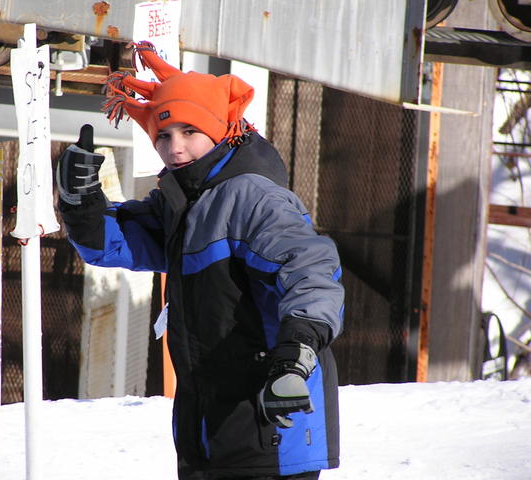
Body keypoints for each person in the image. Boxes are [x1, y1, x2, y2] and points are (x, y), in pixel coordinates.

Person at [56, 41, 344, 480]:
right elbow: (114, 242)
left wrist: (296, 353)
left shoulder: (253, 197)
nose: (176, 148)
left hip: (273, 415)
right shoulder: (182, 203)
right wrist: (81, 202)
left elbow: (311, 270)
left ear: (220, 130)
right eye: (163, 136)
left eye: (190, 131)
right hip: (207, 424)